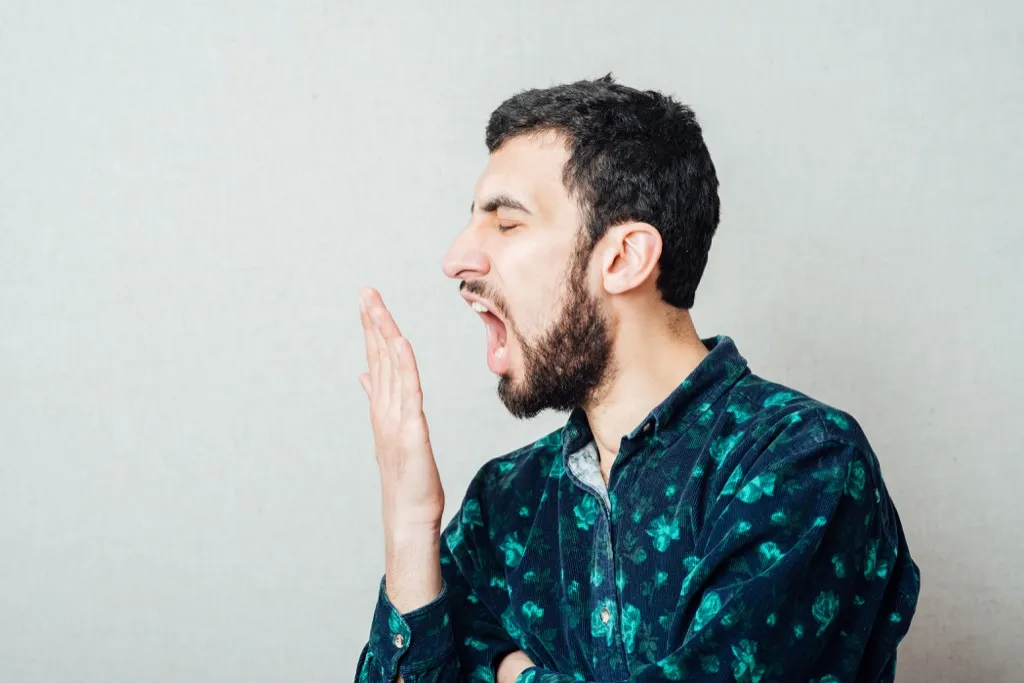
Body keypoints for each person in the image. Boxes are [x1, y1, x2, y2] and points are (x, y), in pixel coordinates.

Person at [353, 74, 920, 683]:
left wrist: (506, 672)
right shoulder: (504, 502)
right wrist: (410, 526)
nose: (456, 258)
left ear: (624, 259)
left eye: (507, 223)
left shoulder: (802, 462)